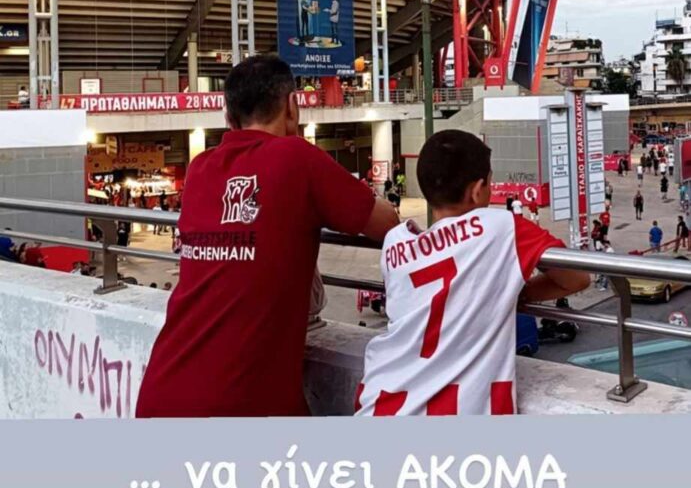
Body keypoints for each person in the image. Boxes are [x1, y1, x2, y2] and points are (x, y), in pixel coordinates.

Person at [137, 55, 397, 417]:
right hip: (241, 406)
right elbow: (387, 222)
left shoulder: (200, 168)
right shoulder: (297, 157)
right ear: (292, 106)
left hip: (161, 392)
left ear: (228, 117)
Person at [354, 130, 590, 416]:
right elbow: (577, 278)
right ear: (478, 190)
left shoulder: (395, 242)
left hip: (379, 403)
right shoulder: (503, 227)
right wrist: (512, 294)